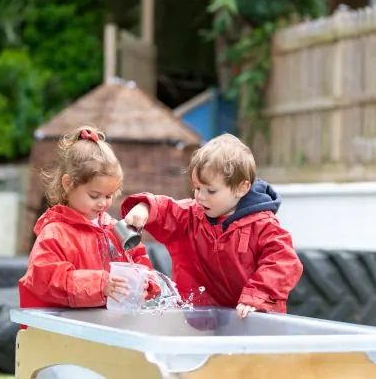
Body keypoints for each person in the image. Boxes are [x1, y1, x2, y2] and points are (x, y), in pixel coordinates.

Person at [121, 133, 302, 319]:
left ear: (242, 188)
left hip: (254, 319)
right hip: (208, 321)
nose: (200, 196)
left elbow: (283, 262)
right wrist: (144, 208)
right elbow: (167, 210)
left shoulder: (262, 225)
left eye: (211, 190)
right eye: (197, 188)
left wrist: (258, 295)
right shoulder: (193, 215)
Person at [19, 126, 161, 315]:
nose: (103, 203)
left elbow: (139, 261)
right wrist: (100, 285)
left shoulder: (113, 229)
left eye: (109, 195)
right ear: (68, 184)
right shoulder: (55, 233)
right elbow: (45, 279)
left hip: (105, 326)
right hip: (66, 331)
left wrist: (146, 283)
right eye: (94, 196)